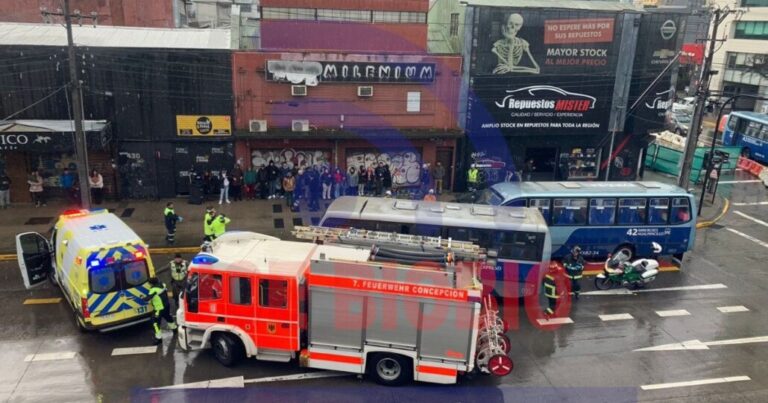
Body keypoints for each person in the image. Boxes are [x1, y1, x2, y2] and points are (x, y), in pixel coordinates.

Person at [144, 277, 177, 344]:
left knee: (155, 322)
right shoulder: (162, 285)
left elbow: (147, 299)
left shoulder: (153, 290)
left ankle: (158, 338)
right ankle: (174, 329)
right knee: (168, 317)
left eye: (149, 283)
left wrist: (142, 298)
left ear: (151, 283)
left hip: (159, 308)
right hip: (166, 305)